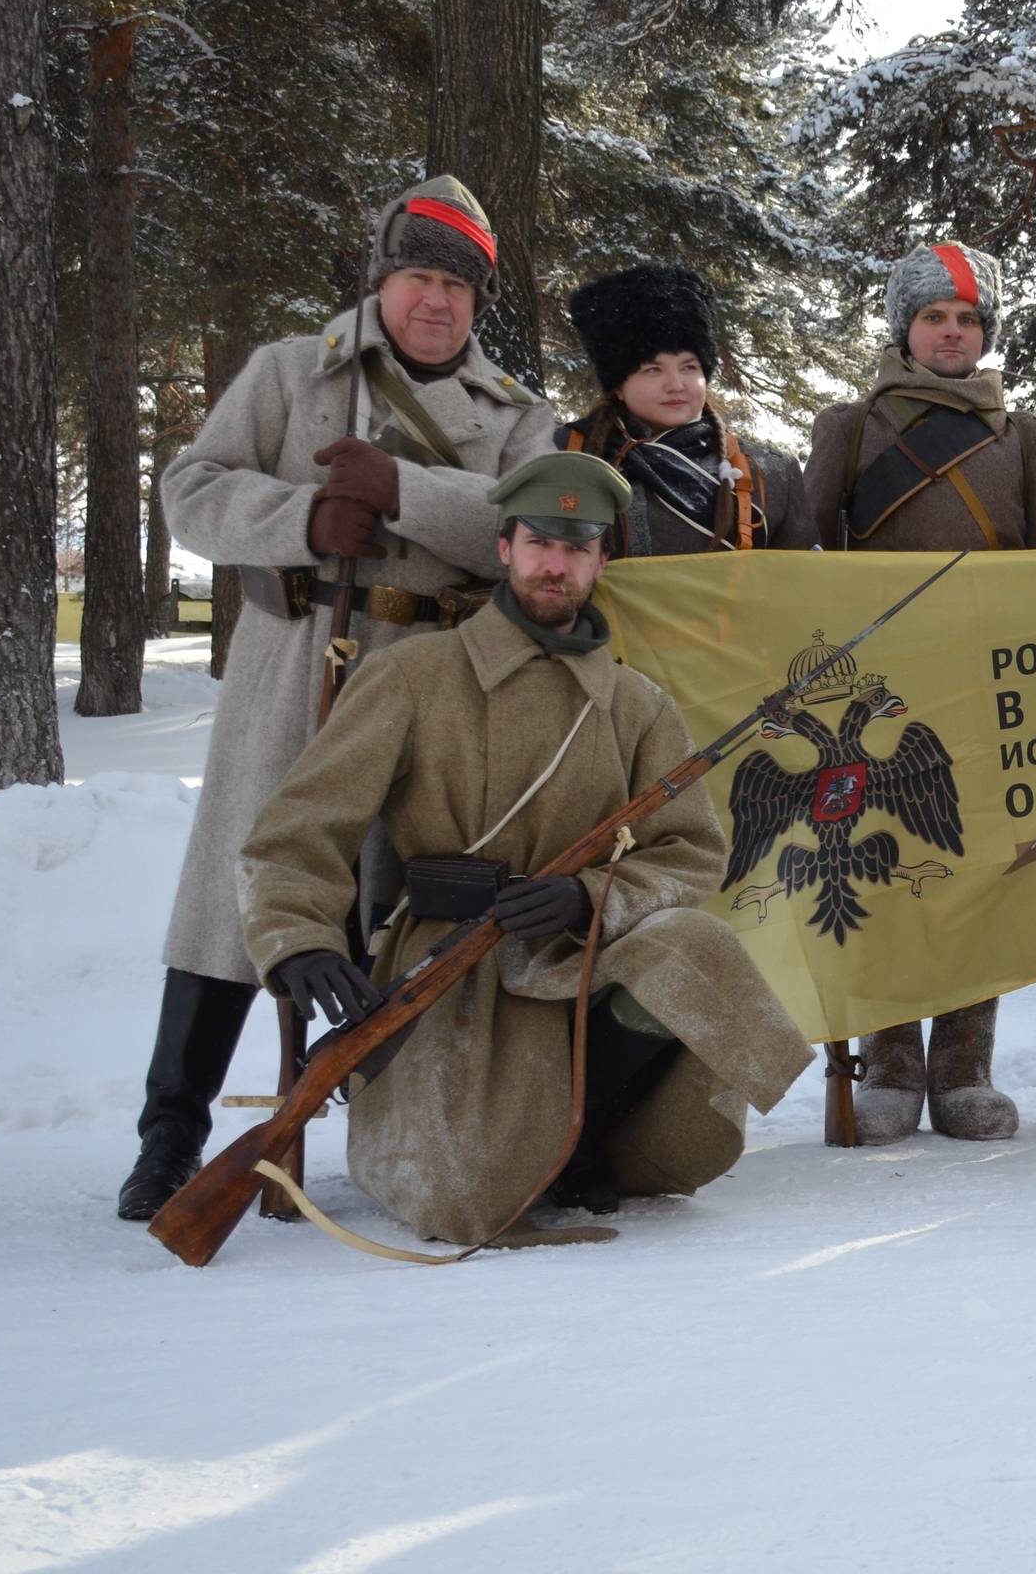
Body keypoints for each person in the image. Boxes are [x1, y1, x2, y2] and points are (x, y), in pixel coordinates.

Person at [236, 452, 814, 1235]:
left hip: (577, 957)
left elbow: (689, 853)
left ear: (601, 562)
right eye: (540, 543)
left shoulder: (635, 703)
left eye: (577, 549)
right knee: (465, 1200)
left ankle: (584, 1140)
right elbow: (299, 828)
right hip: (450, 961)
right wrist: (298, 941)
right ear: (504, 548)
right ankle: (537, 1145)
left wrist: (588, 897)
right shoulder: (413, 675)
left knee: (691, 944)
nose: (557, 565)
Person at [120, 176, 553, 1221]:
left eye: (456, 285)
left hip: (429, 688)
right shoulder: (286, 374)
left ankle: (372, 1127)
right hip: (294, 667)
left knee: (389, 907)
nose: (436, 302)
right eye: (417, 277)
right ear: (382, 278)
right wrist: (305, 520)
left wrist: (403, 492)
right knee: (237, 897)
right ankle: (169, 1135)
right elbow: (189, 491)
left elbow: (528, 528)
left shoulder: (513, 414)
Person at [799, 242, 1036, 1143]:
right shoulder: (848, 427)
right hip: (877, 696)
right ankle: (890, 1060)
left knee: (975, 874)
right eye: (933, 318)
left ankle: (964, 1064)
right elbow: (804, 565)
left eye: (967, 320)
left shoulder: (1026, 436)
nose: (951, 334)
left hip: (988, 688)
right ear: (904, 330)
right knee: (876, 868)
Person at [559, 262, 819, 553]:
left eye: (688, 367)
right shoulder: (564, 454)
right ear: (618, 386)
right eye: (653, 370)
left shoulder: (770, 473)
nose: (676, 384)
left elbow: (802, 584)